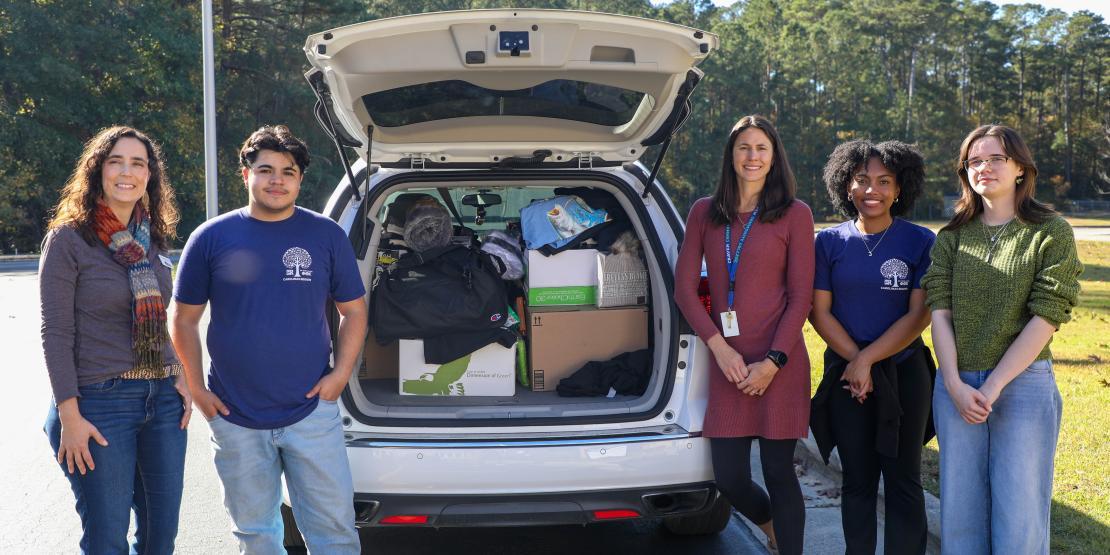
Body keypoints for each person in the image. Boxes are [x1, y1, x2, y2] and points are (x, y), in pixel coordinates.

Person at [169, 125, 368, 554]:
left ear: (300, 180)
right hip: (234, 414)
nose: (277, 179)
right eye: (266, 169)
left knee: (334, 534)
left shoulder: (325, 235)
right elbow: (183, 320)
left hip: (312, 413)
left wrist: (340, 375)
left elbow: (354, 311)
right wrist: (198, 389)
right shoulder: (210, 238)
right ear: (246, 175)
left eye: (288, 171)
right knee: (256, 535)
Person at [921, 125, 1081, 553]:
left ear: (1019, 168)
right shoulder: (952, 236)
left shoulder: (1050, 231)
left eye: (995, 159)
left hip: (1023, 385)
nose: (983, 168)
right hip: (956, 387)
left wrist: (992, 385)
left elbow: (1047, 316)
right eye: (974, 161)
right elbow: (940, 311)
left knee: (1020, 513)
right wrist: (953, 383)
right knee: (961, 512)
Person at [41, 126, 189, 553]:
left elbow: (158, 320)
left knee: (161, 539)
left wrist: (177, 369)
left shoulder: (152, 240)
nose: (128, 172)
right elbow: (56, 331)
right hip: (99, 404)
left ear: (149, 176)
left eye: (138, 163)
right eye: (116, 161)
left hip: (161, 401)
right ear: (97, 171)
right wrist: (69, 416)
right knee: (107, 542)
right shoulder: (69, 239)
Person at [673, 115, 815, 554]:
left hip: (780, 365)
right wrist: (719, 348)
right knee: (730, 478)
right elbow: (683, 290)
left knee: (778, 471)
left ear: (774, 158)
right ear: (730, 155)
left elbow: (801, 297)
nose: (752, 157)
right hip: (729, 364)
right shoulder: (703, 211)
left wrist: (773, 362)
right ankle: (772, 525)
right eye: (744, 148)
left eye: (761, 149)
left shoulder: (795, 214)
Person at [808, 139, 936, 554]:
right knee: (858, 481)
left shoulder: (919, 241)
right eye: (862, 180)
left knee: (903, 481)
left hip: (903, 372)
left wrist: (867, 360)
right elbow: (819, 312)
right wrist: (855, 363)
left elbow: (919, 315)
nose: (872, 190)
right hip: (846, 377)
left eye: (884, 181)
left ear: (900, 189)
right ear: (846, 186)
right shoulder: (829, 242)